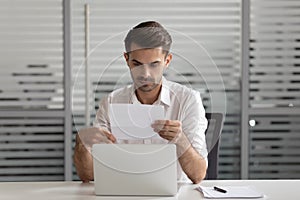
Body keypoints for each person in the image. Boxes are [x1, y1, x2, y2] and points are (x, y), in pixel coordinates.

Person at [74, 21, 208, 184]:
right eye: (137, 64)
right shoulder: (111, 102)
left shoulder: (188, 100)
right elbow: (88, 176)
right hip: (123, 193)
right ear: (127, 59)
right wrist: (82, 144)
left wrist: (180, 139)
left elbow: (198, 174)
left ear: (167, 61)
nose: (145, 74)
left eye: (154, 65)